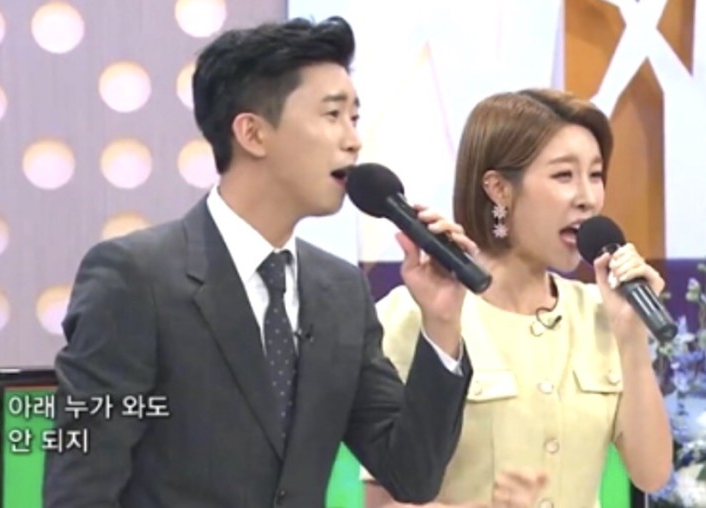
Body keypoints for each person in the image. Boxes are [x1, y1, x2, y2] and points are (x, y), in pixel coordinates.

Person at [43, 16, 476, 508]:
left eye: (354, 118)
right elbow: (80, 489)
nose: (353, 140)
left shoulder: (341, 292)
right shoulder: (136, 278)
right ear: (252, 133)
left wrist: (441, 321)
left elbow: (411, 474)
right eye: (332, 115)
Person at [363, 89, 673, 508]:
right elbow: (382, 501)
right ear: (499, 189)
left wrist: (631, 335)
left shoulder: (600, 314)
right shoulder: (414, 316)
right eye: (564, 176)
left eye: (596, 175)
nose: (588, 197)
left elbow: (651, 473)